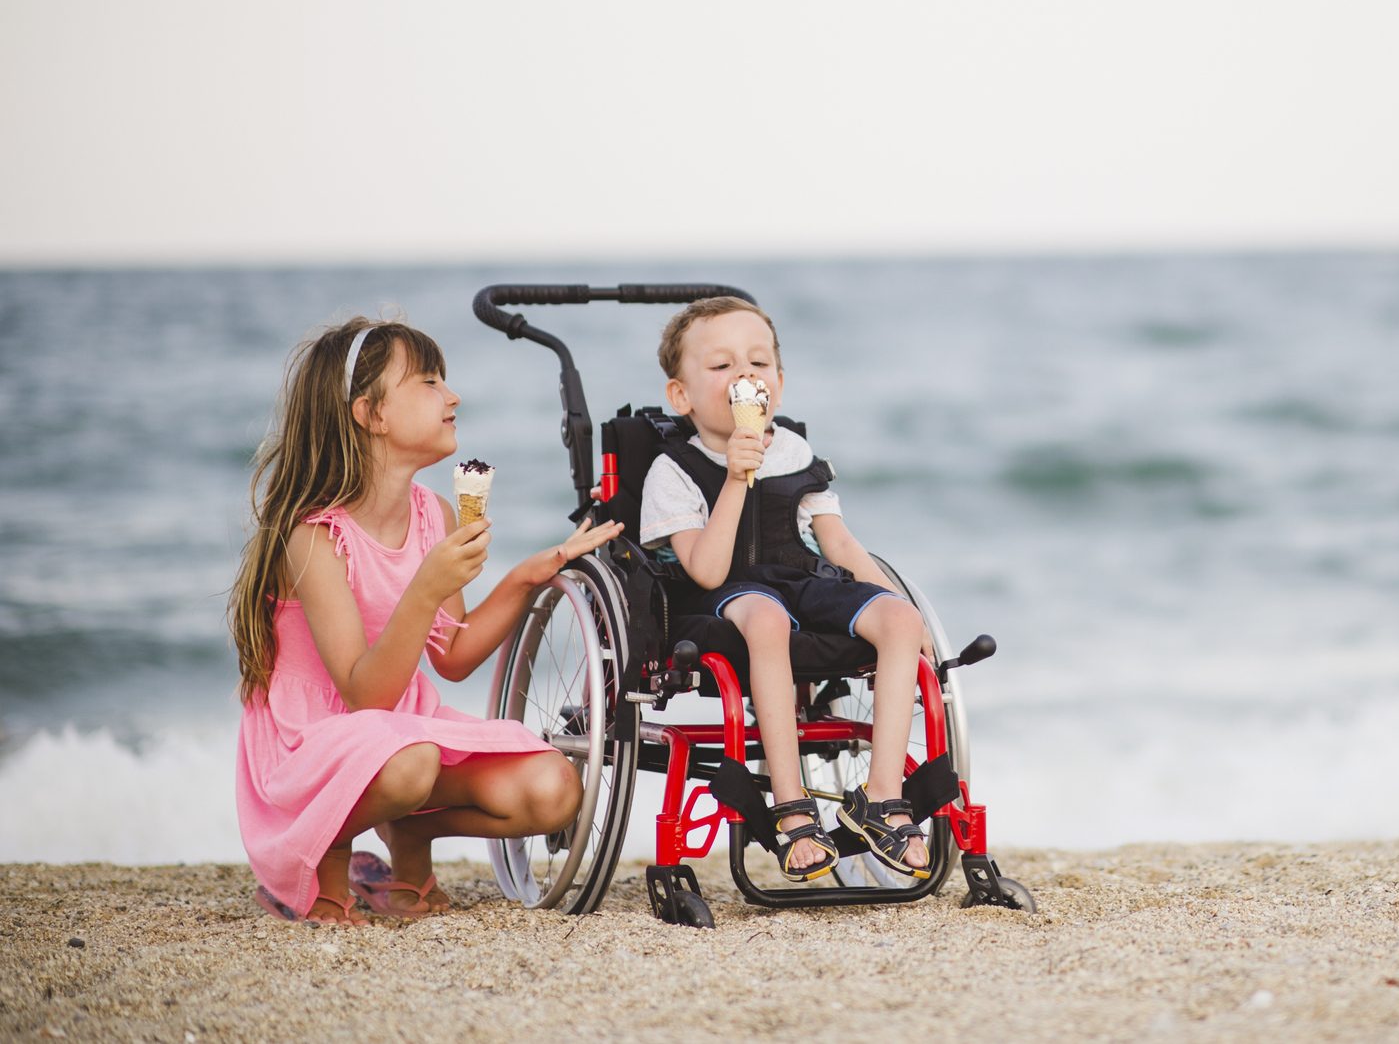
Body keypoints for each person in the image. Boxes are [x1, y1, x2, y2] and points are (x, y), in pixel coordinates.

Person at [229, 317, 622, 923]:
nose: (453, 395)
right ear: (371, 414)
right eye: (430, 382)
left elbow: (454, 659)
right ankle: (321, 862)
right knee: (410, 763)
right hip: (311, 740)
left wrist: (523, 577)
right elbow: (364, 694)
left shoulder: (433, 513)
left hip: (407, 734)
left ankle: (410, 837)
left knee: (554, 790)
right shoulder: (314, 538)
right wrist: (425, 589)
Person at [638, 296, 935, 881]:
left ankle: (881, 798)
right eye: (722, 367)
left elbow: (841, 547)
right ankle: (791, 805)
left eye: (758, 363)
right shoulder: (673, 468)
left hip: (799, 579)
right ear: (682, 396)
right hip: (725, 595)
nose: (745, 376)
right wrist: (734, 476)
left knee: (901, 621)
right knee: (768, 619)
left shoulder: (797, 453)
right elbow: (706, 570)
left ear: (779, 381)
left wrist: (911, 617)